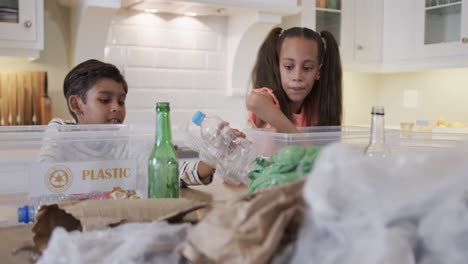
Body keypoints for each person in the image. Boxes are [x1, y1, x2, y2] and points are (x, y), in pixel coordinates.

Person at [41, 59, 230, 186]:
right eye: (105, 100)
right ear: (77, 104)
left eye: (121, 101)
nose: (116, 107)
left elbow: (166, 174)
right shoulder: (59, 132)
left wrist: (213, 158)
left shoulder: (128, 142)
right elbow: (44, 179)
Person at [246, 27, 343, 133]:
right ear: (278, 68)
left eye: (307, 68)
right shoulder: (271, 101)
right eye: (288, 67)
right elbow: (254, 101)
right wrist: (297, 138)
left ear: (318, 72)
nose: (297, 77)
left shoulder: (316, 111)